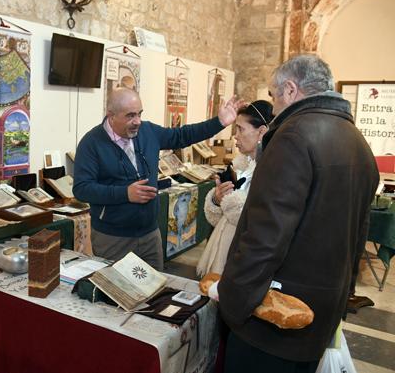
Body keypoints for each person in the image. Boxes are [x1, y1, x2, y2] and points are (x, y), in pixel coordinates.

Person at [211, 55, 379, 372]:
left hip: (274, 317)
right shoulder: (356, 141)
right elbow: (358, 235)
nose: (273, 108)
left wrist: (233, 302)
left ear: (290, 89)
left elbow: (265, 237)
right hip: (320, 312)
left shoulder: (293, 136)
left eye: (274, 96)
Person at [73, 87, 242, 270]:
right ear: (111, 115)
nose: (137, 121)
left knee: (154, 292)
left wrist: (219, 122)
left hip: (150, 235)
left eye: (139, 114)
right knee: (117, 295)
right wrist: (124, 193)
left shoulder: (147, 131)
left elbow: (182, 135)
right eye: (130, 116)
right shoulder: (91, 143)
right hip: (113, 239)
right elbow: (82, 189)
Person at [196, 100, 273, 277]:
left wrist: (230, 200)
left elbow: (256, 221)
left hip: (244, 257)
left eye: (241, 129)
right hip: (222, 246)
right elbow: (219, 219)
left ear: (261, 132)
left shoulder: (270, 171)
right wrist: (217, 198)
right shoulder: (241, 165)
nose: (235, 136)